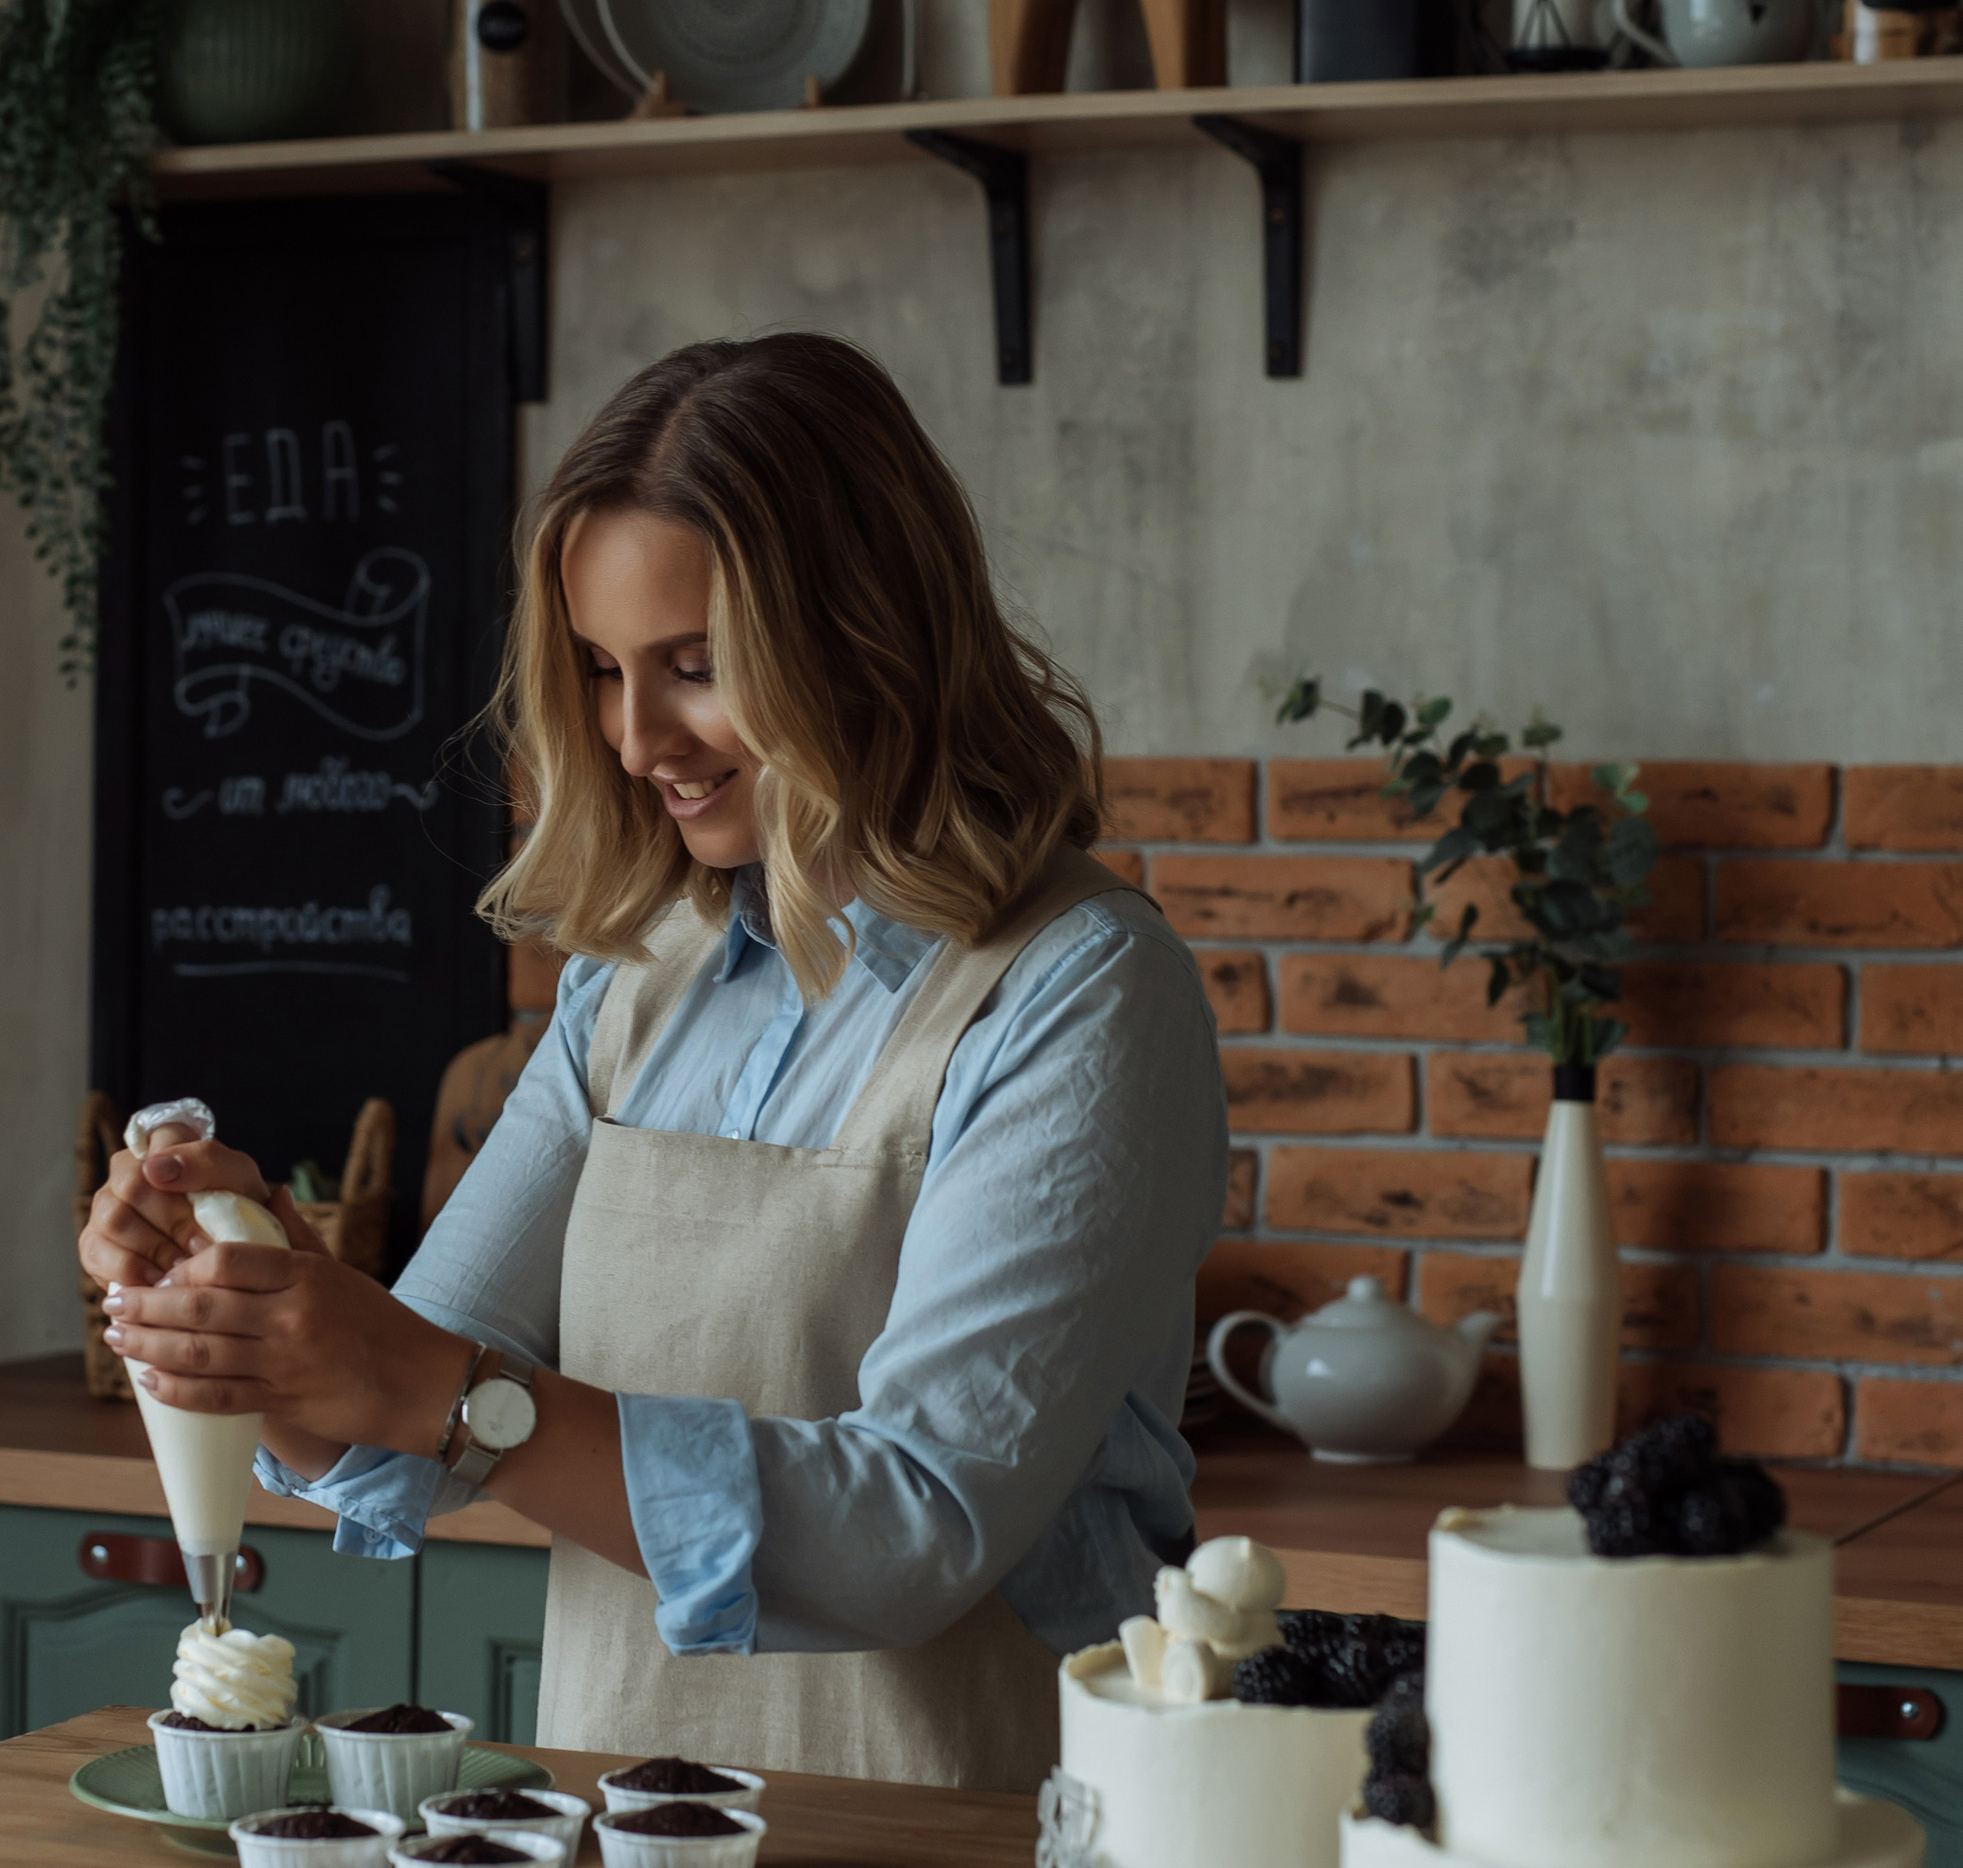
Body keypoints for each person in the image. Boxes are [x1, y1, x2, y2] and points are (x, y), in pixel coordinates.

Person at [86, 332, 1227, 1791]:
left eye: (695, 666)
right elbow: (399, 1433)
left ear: (866, 629)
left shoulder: (1081, 991)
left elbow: (915, 1527)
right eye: (603, 670)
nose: (633, 738)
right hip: (624, 1849)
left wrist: (433, 1386)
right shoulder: (633, 989)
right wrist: (251, 1290)